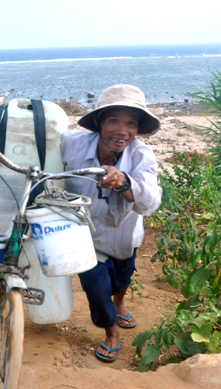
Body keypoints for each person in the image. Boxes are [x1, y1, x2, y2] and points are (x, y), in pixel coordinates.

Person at [61, 84, 162, 362]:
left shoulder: (142, 156)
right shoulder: (71, 143)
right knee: (96, 289)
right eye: (114, 120)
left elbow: (151, 202)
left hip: (123, 234)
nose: (122, 130)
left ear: (138, 128)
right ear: (99, 122)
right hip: (83, 234)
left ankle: (120, 302)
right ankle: (112, 332)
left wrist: (124, 181)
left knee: (122, 278)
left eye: (131, 122)